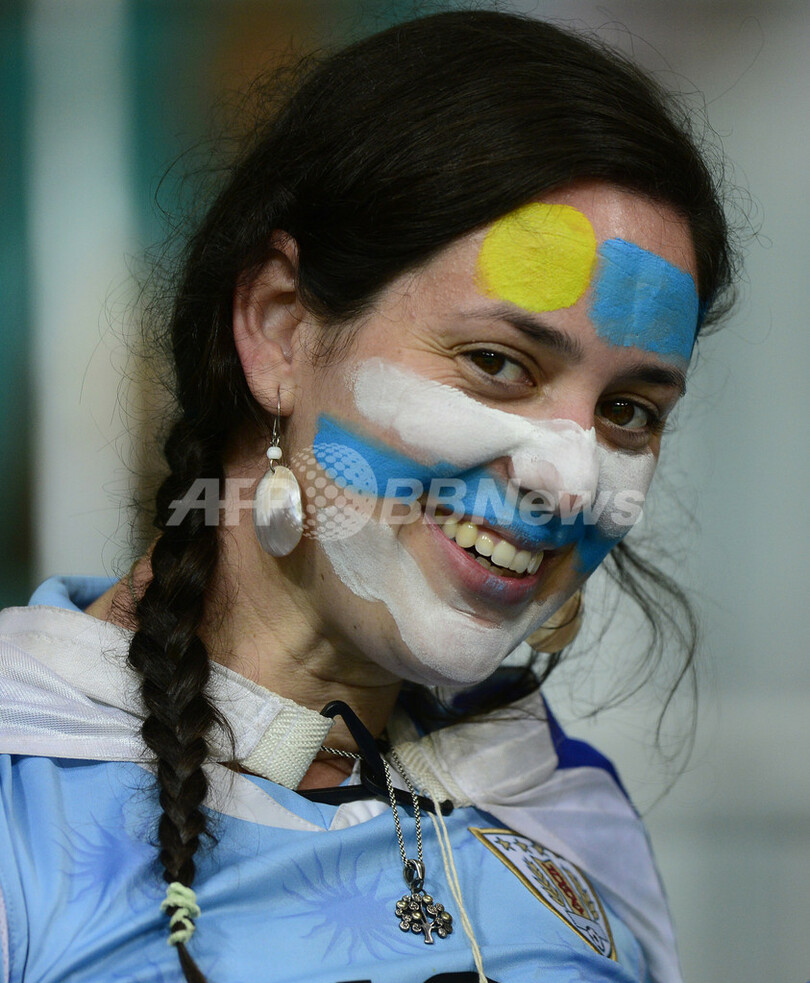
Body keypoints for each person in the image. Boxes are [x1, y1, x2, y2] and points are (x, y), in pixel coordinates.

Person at [0, 9, 735, 983]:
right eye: (496, 362)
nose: (572, 475)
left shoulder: (568, 825)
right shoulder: (24, 795)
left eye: (630, 411)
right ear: (279, 328)